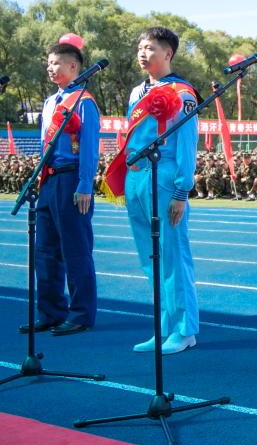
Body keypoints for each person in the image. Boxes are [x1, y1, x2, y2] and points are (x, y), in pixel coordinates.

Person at [104, 26, 202, 354]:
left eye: (150, 48)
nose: (142, 53)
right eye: (140, 48)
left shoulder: (183, 93)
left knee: (173, 256)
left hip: (164, 176)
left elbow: (187, 143)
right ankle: (163, 327)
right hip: (136, 177)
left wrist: (181, 191)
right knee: (151, 259)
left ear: (168, 53)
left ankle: (185, 330)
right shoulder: (137, 91)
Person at [22, 37, 101, 336]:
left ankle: (81, 313)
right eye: (48, 63)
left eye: (56, 63)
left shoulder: (83, 101)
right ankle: (51, 311)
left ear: (73, 66)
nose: (50, 68)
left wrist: (85, 184)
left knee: (76, 249)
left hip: (71, 179)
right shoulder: (49, 102)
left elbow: (90, 146)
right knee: (45, 250)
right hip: (49, 179)